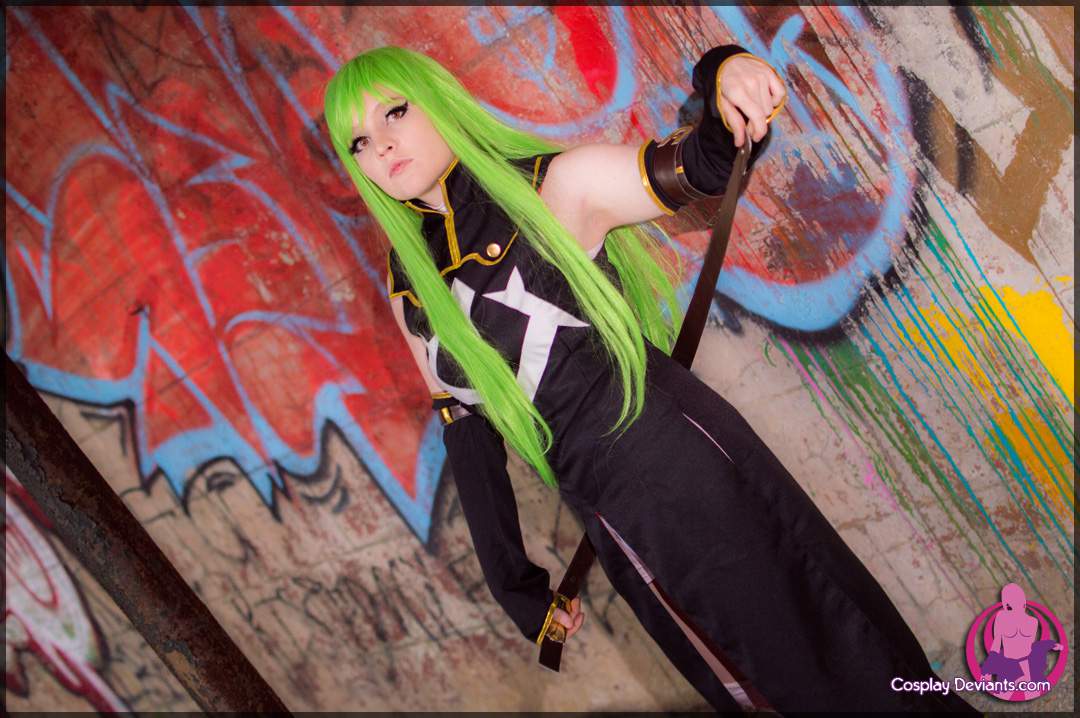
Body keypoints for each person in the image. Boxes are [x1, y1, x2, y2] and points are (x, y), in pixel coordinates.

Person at [322, 44, 978, 713]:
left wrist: (723, 72)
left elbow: (704, 165)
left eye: (395, 112)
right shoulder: (410, 287)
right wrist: (518, 592)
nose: (383, 145)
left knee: (831, 662)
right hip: (609, 518)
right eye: (359, 141)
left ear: (438, 100)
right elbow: (469, 437)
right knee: (749, 687)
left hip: (677, 465)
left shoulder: (551, 187)